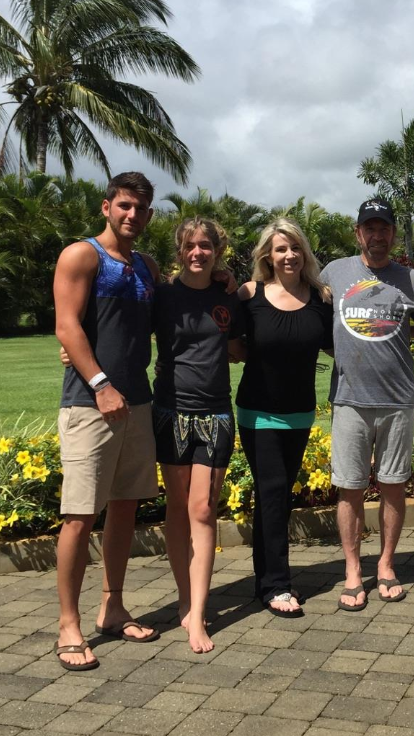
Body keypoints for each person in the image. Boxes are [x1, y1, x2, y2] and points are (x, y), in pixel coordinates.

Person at [52, 171, 161, 671]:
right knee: (79, 515)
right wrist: (100, 384)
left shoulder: (146, 267)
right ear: (106, 207)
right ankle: (68, 624)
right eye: (124, 206)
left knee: (123, 508)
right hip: (89, 405)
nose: (132, 215)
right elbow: (66, 325)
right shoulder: (82, 256)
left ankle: (112, 607)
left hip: (138, 403)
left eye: (140, 208)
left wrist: (226, 281)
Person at [320, 198, 414, 611]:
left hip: (397, 399)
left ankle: (386, 564)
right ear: (358, 232)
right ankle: (352, 569)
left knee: (393, 486)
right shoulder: (334, 272)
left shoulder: (410, 279)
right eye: (369, 227)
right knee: (349, 489)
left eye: (384, 228)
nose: (377, 235)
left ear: (393, 234)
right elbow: (294, 286)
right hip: (349, 399)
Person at [152, 218, 243, 654]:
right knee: (177, 506)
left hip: (216, 413)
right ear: (180, 249)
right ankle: (185, 599)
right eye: (190, 245)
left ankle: (199, 614)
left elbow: (243, 345)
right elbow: (125, 328)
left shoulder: (227, 295)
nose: (198, 252)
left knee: (203, 508)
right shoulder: (163, 294)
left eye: (205, 245)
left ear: (217, 250)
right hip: (170, 411)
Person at [236, 218, 333, 618]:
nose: (289, 255)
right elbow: (226, 342)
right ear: (267, 256)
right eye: (280, 249)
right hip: (258, 412)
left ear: (304, 253)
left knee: (274, 496)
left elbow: (341, 344)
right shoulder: (249, 294)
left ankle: (265, 579)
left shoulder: (320, 298)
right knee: (274, 491)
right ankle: (277, 585)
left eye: (295, 248)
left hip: (299, 414)